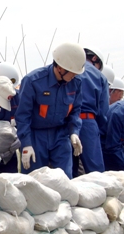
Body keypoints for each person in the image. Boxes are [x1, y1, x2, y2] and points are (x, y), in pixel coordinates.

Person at [16, 42, 85, 179]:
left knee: (65, 179)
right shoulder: (33, 81)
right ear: (60, 68)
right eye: (73, 72)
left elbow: (75, 111)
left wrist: (74, 133)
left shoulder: (76, 83)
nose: (75, 76)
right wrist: (27, 144)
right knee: (33, 180)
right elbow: (23, 116)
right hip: (36, 137)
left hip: (60, 135)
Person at [72, 46, 109, 177]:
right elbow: (103, 110)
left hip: (65, 122)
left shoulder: (67, 68)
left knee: (68, 169)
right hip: (88, 122)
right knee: (96, 171)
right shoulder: (99, 76)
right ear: (94, 58)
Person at [0, 62, 21, 175]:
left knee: (11, 179)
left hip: (9, 150)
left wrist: (20, 138)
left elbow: (24, 119)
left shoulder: (17, 97)